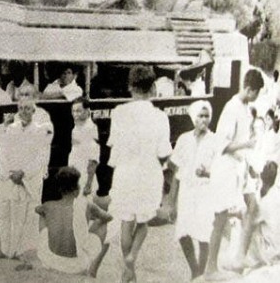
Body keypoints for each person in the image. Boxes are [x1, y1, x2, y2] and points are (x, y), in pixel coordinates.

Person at [107, 65, 172, 283]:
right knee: (143, 222)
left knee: (126, 221)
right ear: (153, 88)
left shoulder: (118, 112)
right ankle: (131, 259)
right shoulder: (160, 117)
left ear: (130, 87)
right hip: (148, 173)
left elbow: (114, 146)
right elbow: (163, 153)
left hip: (125, 173)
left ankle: (129, 269)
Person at [205, 68, 264, 280]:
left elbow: (241, 146)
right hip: (225, 169)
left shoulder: (246, 108)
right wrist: (247, 144)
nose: (257, 97)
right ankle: (210, 268)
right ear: (249, 89)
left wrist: (249, 166)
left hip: (238, 167)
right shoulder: (231, 108)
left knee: (252, 206)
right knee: (220, 218)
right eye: (256, 93)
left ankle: (238, 256)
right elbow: (223, 145)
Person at [0, 98, 53, 270]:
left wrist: (23, 173)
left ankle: (22, 251)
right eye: (21, 108)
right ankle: (6, 249)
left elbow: (41, 157)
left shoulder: (40, 131)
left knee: (25, 217)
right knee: (3, 213)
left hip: (26, 180)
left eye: (28, 108)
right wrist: (10, 172)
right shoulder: (9, 129)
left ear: (33, 111)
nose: (24, 112)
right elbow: (2, 152)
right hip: (8, 177)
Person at [168, 100, 227, 280]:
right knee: (183, 232)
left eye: (207, 116)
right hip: (186, 192)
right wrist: (171, 202)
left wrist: (207, 173)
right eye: (200, 116)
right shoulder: (183, 139)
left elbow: (222, 172)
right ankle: (195, 270)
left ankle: (201, 274)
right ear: (194, 118)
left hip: (206, 192)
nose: (204, 120)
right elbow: (176, 171)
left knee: (204, 235)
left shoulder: (215, 140)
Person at [35, 167, 112, 276]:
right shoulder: (86, 204)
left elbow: (37, 210)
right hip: (76, 265)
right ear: (76, 190)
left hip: (49, 259)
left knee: (42, 215)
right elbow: (108, 217)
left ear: (60, 189)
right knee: (103, 224)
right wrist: (89, 217)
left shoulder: (48, 205)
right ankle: (93, 269)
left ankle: (56, 248)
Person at [67, 97, 100, 197]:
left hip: (85, 178)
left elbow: (93, 161)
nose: (75, 114)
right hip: (75, 175)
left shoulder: (90, 129)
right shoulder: (76, 128)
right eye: (73, 111)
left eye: (78, 111)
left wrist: (88, 184)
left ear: (87, 111)